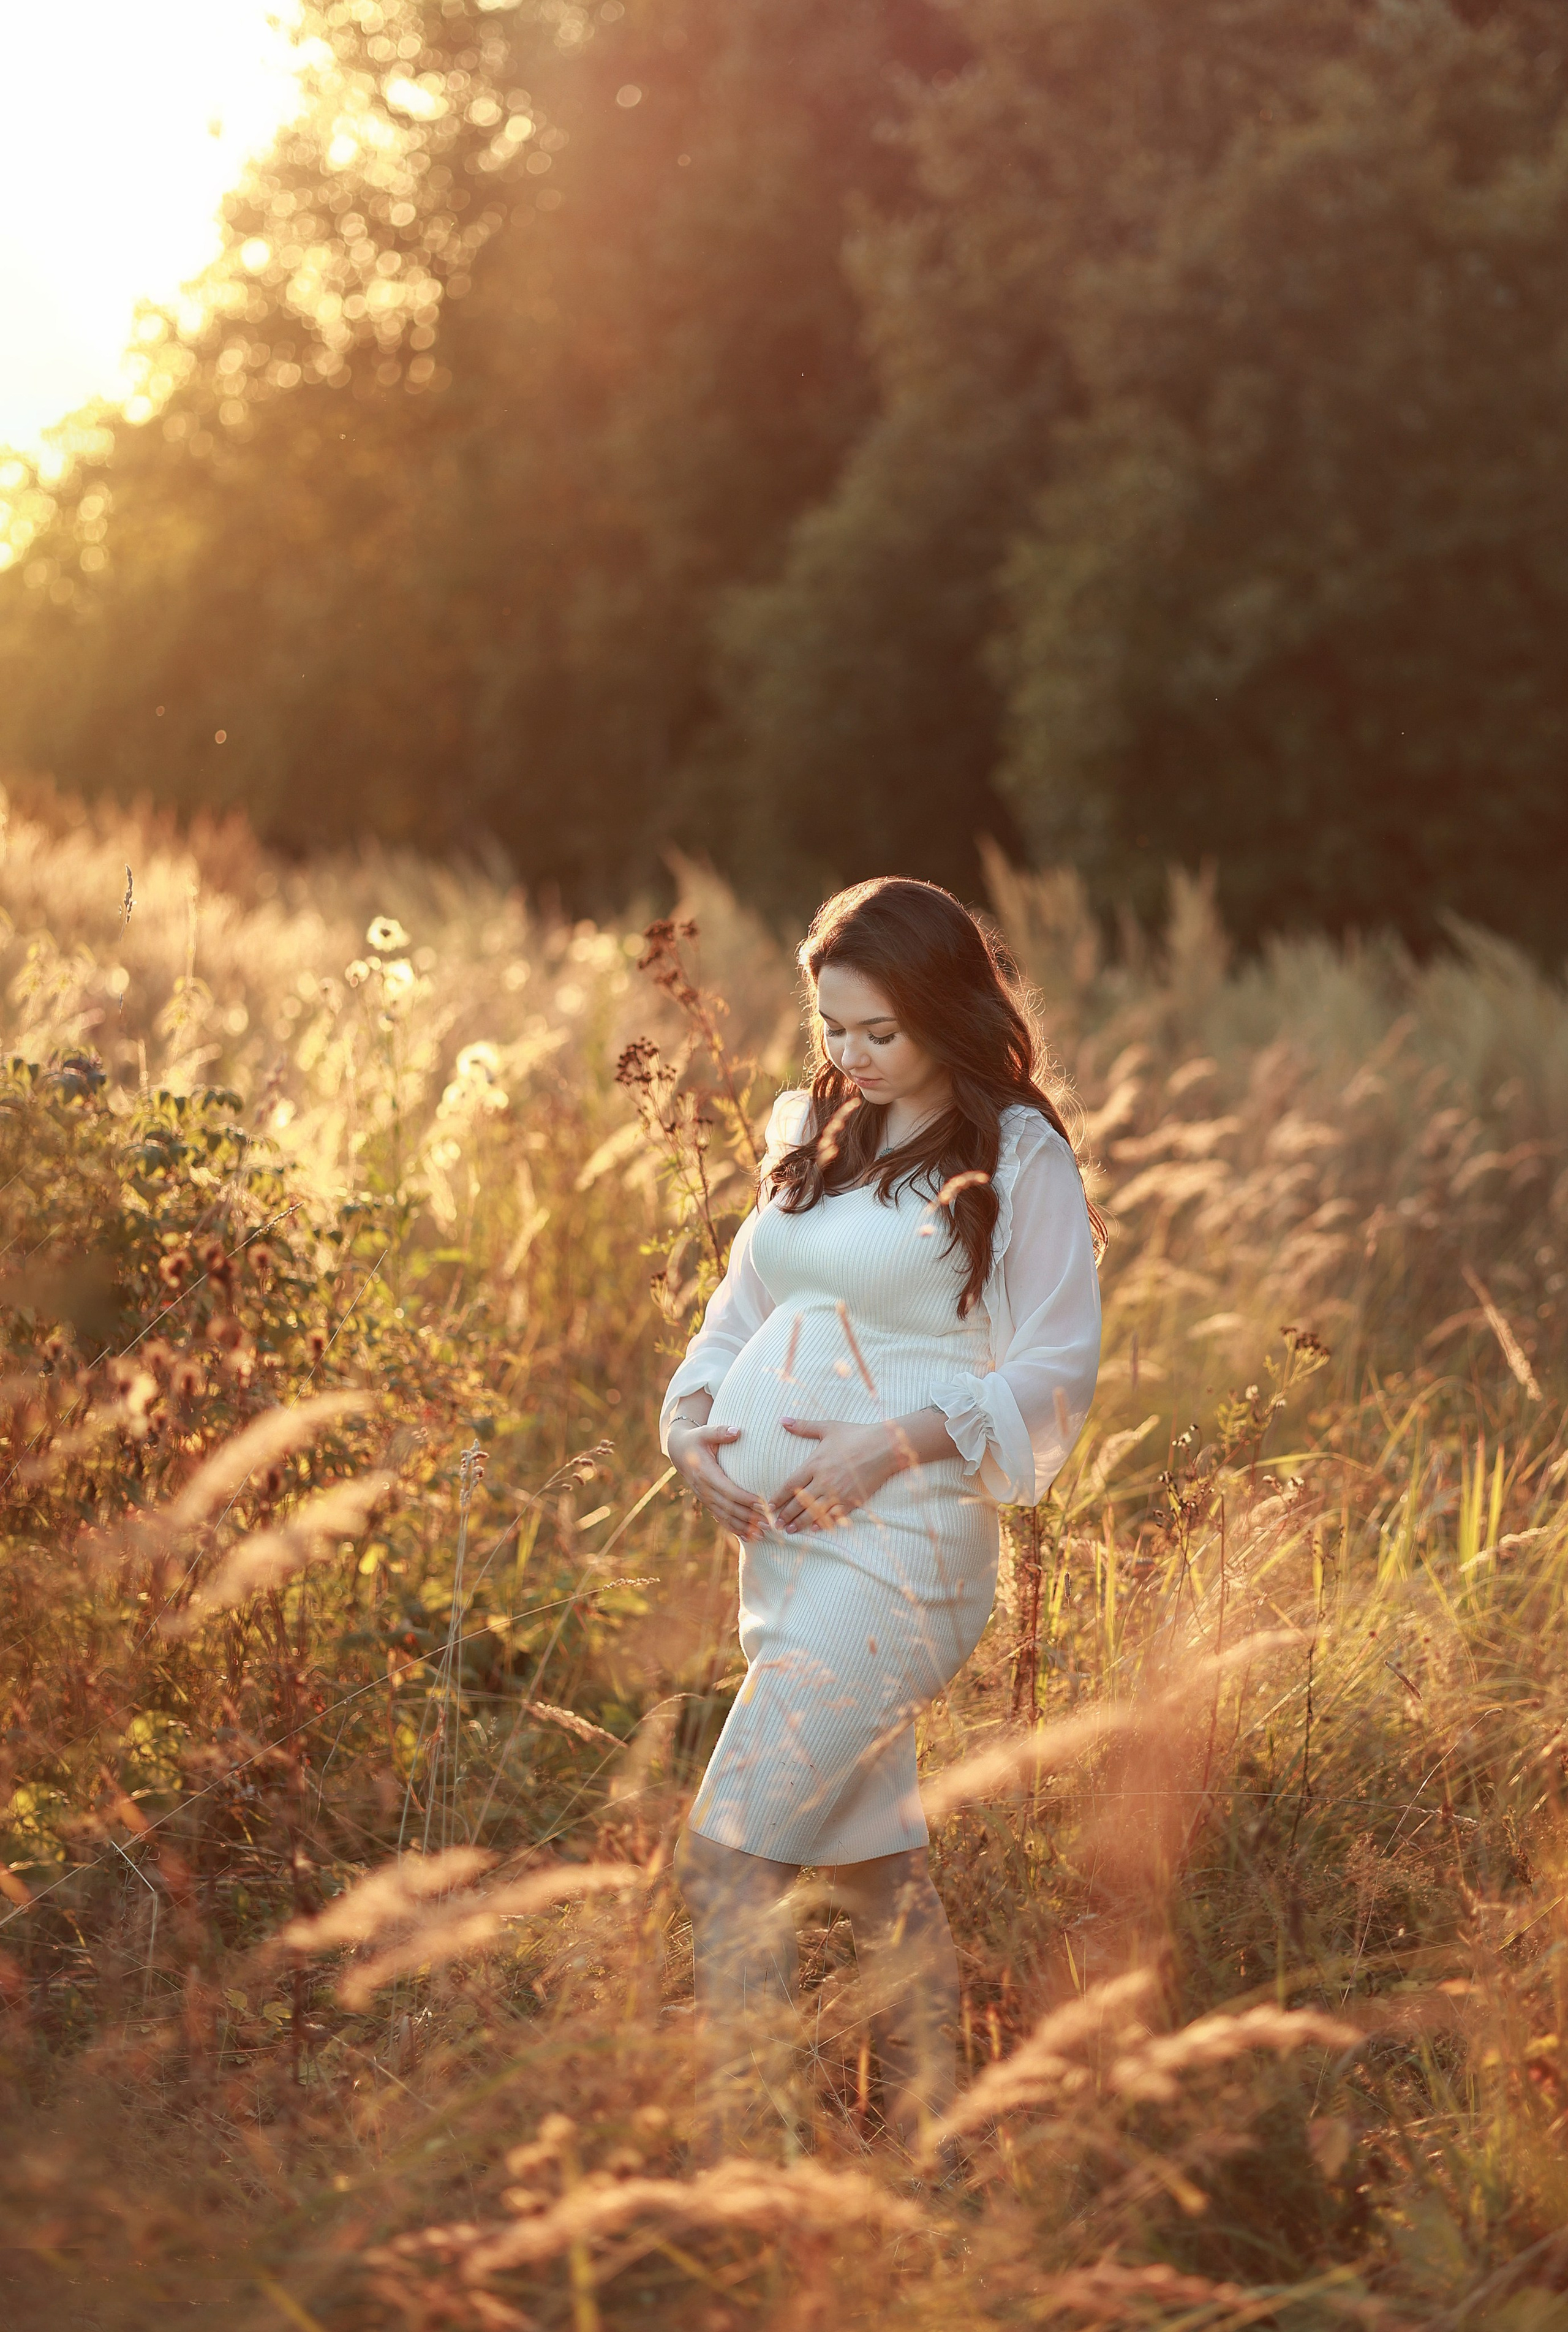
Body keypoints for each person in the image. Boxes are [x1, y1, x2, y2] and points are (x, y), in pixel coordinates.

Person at [662, 876, 1102, 2162]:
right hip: (786, 1537)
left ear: (944, 1012)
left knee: (725, 1863)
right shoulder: (813, 1124)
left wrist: (892, 1439)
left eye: (877, 1033)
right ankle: (934, 2144)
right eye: (831, 1028)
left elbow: (1053, 1365)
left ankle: (746, 2167)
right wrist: (691, 1433)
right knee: (870, 1870)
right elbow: (738, 1313)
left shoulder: (1016, 1151)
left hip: (904, 1546)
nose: (848, 1057)